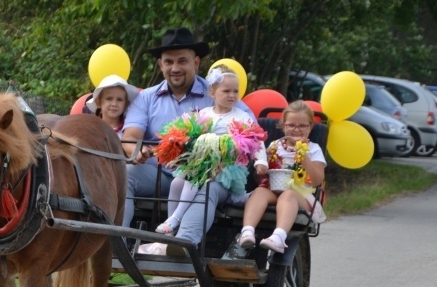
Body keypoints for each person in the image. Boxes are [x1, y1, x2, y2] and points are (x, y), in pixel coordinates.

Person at [121, 27, 255, 251]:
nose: (175, 68)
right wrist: (138, 151)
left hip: (212, 175)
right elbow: (130, 138)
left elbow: (250, 134)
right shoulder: (146, 98)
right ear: (160, 65)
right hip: (160, 176)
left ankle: (181, 246)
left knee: (205, 182)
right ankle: (116, 244)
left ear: (196, 62)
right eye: (168, 62)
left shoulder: (218, 92)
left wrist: (223, 156)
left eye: (182, 61)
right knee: (125, 174)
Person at [155, 65, 267, 234]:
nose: (232, 95)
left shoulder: (242, 116)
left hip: (226, 165)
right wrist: (178, 147)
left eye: (235, 91)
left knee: (196, 176)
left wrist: (261, 161)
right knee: (177, 183)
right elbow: (188, 134)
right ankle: (170, 229)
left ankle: (176, 218)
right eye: (226, 91)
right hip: (200, 161)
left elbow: (255, 139)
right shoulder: (205, 113)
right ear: (212, 93)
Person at [238, 100, 326, 253]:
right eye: (291, 125)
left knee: (288, 195)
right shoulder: (275, 146)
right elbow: (260, 178)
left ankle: (278, 237)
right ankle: (247, 232)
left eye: (302, 126)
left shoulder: (313, 149)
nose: (296, 130)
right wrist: (261, 170)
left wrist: (303, 155)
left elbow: (317, 180)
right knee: (259, 192)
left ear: (310, 126)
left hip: (300, 195)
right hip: (273, 189)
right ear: (283, 125)